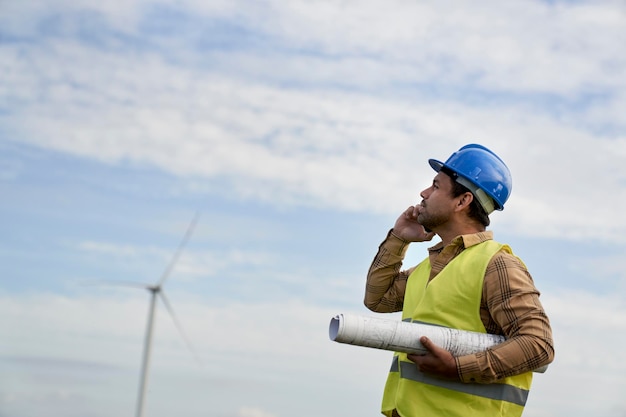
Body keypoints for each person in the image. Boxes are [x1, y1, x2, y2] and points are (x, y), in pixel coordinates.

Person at [364, 144, 554, 417]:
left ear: (462, 201)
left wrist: (459, 368)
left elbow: (539, 344)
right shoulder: (431, 268)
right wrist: (398, 238)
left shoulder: (497, 265)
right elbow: (377, 299)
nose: (423, 194)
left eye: (435, 186)